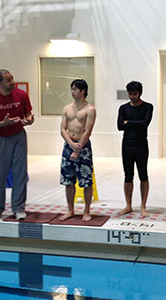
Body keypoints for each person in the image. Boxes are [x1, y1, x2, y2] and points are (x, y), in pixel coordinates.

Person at [0, 69, 34, 221]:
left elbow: (29, 113)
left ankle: (19, 208)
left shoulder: (21, 95)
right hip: (0, 139)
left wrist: (29, 120)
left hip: (18, 137)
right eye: (8, 80)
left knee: (20, 174)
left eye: (12, 78)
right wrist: (2, 123)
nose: (12, 82)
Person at [60, 79, 96, 222]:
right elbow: (63, 129)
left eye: (75, 89)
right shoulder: (67, 108)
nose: (72, 92)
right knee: (68, 180)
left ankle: (86, 211)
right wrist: (70, 144)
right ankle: (70, 209)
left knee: (86, 181)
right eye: (72, 89)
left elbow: (88, 131)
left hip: (83, 147)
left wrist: (78, 148)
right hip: (69, 146)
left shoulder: (90, 109)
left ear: (83, 91)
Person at [117, 81, 153, 217]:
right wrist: (132, 124)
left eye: (135, 94)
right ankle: (128, 205)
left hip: (141, 144)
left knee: (143, 175)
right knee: (128, 176)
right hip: (127, 144)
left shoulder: (148, 107)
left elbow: (145, 123)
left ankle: (143, 206)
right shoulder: (123, 108)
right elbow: (119, 126)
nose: (132, 97)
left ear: (140, 93)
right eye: (130, 94)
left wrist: (128, 122)